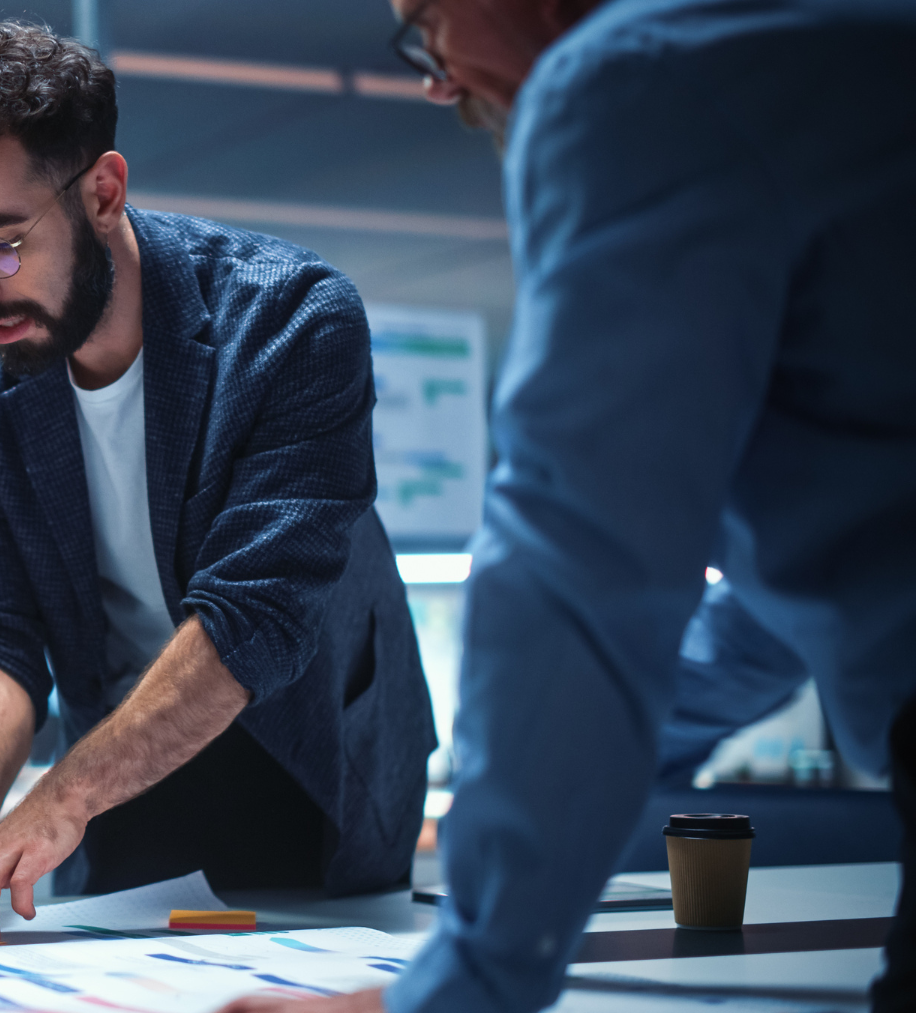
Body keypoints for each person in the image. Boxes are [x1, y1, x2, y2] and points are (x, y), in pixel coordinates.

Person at [220, 0, 916, 1010]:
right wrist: (585, 783)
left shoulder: (641, 75)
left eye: (427, 24)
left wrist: (474, 972)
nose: (436, 79)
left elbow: (581, 564)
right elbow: (789, 601)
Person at [0, 21, 437, 948]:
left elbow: (258, 619)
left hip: (308, 756)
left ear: (103, 192)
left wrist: (56, 799)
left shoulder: (292, 320)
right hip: (116, 771)